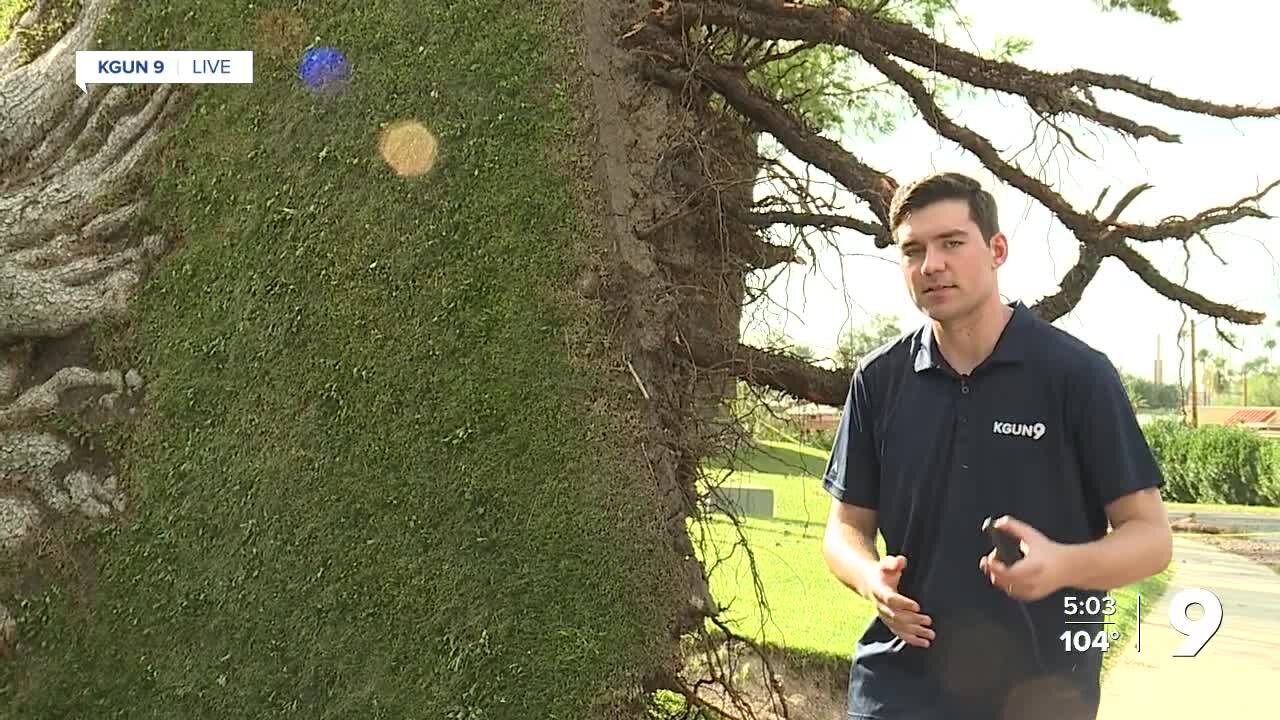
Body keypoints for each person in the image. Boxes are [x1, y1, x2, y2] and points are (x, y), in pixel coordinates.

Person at [820, 172, 1173, 720]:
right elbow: (845, 529)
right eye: (913, 250)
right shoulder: (878, 379)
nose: (931, 264)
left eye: (952, 243)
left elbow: (1152, 540)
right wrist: (869, 578)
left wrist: (1062, 566)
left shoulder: (1077, 376)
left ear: (996, 250)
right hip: (896, 690)